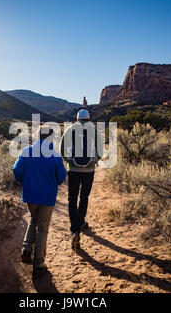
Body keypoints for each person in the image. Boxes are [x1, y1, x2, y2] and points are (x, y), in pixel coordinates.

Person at [12, 125, 66, 277]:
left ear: (38, 136)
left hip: (30, 195)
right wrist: (52, 181)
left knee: (33, 219)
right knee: (42, 228)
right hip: (47, 197)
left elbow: (16, 170)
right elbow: (61, 177)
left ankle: (26, 249)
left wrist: (26, 181)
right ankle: (38, 264)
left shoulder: (26, 151)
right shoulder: (55, 155)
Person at [60, 109, 103, 251]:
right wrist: (93, 161)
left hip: (73, 170)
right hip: (89, 171)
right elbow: (101, 152)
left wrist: (70, 161)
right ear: (89, 119)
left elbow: (62, 150)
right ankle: (81, 221)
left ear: (77, 119)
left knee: (72, 199)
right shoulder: (95, 131)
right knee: (84, 197)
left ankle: (75, 230)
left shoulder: (69, 129)